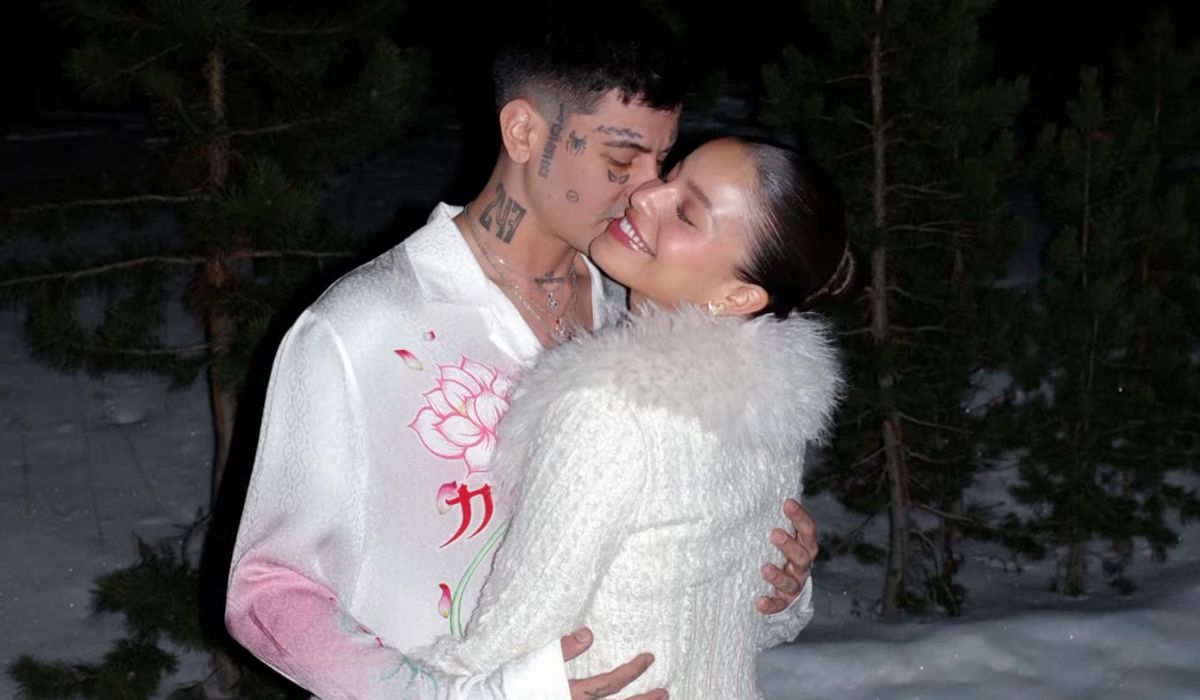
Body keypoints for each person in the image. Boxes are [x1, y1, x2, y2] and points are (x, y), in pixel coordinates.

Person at [224, 10, 822, 699]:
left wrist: (771, 579)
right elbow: (265, 593)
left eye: (661, 163)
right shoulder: (365, 327)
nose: (646, 191)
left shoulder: (639, 316)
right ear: (523, 132)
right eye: (620, 162)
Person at [416, 135, 857, 699]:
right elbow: (750, 623)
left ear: (738, 297)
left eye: (686, 213)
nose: (645, 196)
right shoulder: (764, 406)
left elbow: (512, 636)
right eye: (670, 175)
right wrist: (786, 594)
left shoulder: (608, 408)